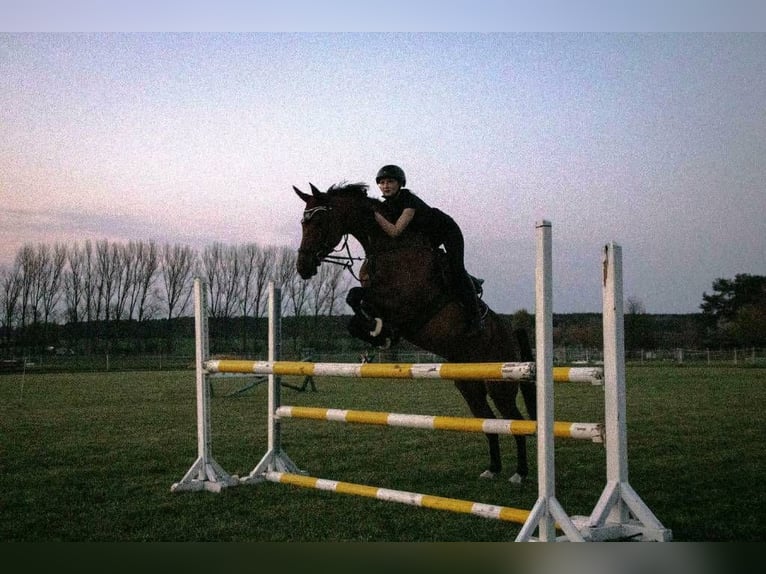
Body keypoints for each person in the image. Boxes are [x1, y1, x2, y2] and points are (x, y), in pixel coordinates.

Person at [372, 164, 484, 335]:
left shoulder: (409, 202)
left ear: (400, 183)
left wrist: (375, 215)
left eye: (390, 181)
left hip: (447, 230)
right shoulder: (388, 204)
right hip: (427, 237)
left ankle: (476, 318)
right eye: (382, 182)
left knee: (457, 268)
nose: (386, 185)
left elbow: (394, 232)